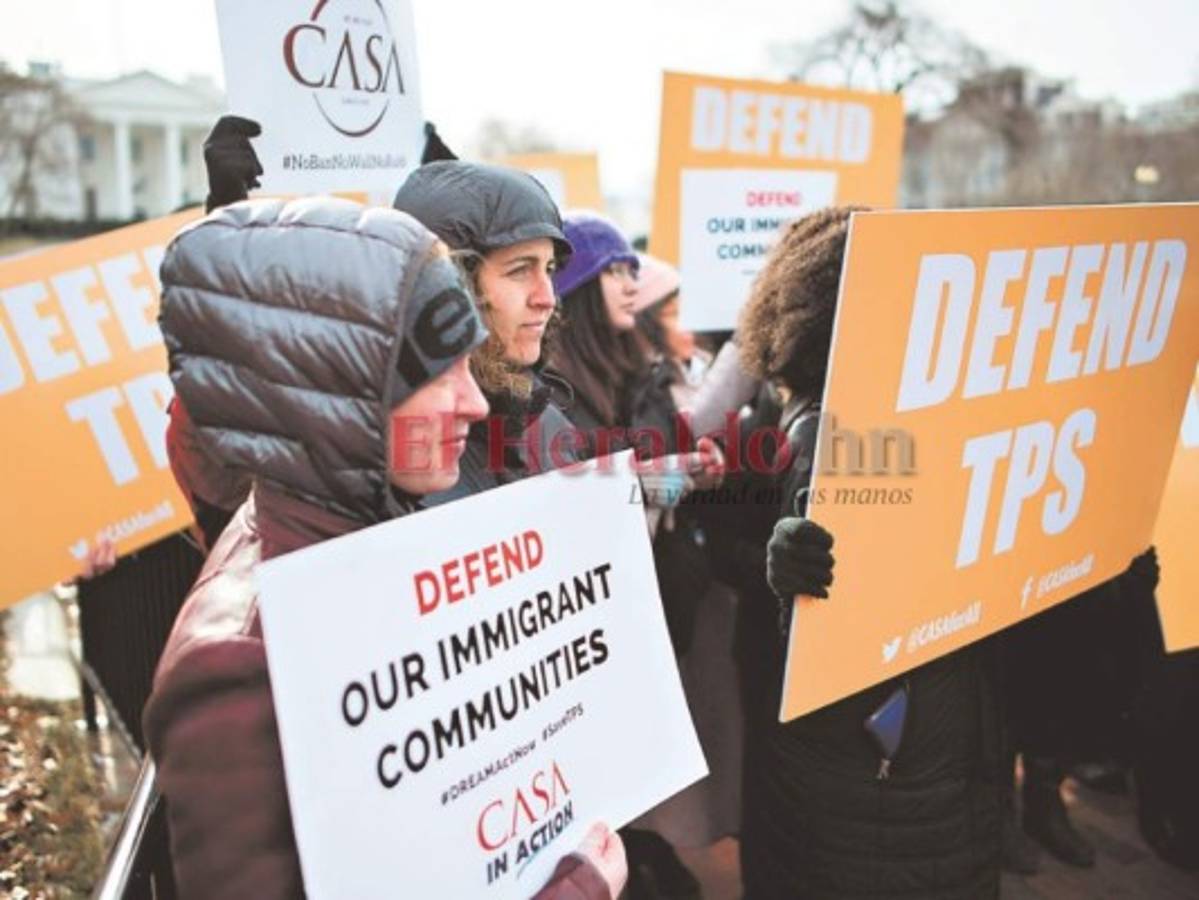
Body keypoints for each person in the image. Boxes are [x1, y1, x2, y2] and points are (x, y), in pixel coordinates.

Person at [143, 196, 626, 900]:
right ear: (335, 397)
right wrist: (574, 889)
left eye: (470, 366)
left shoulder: (369, 532)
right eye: (438, 375)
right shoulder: (242, 660)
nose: (475, 403)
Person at [736, 207, 1004, 899]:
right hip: (872, 763)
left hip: (927, 747)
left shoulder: (932, 412)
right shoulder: (832, 433)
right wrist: (780, 576)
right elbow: (806, 631)